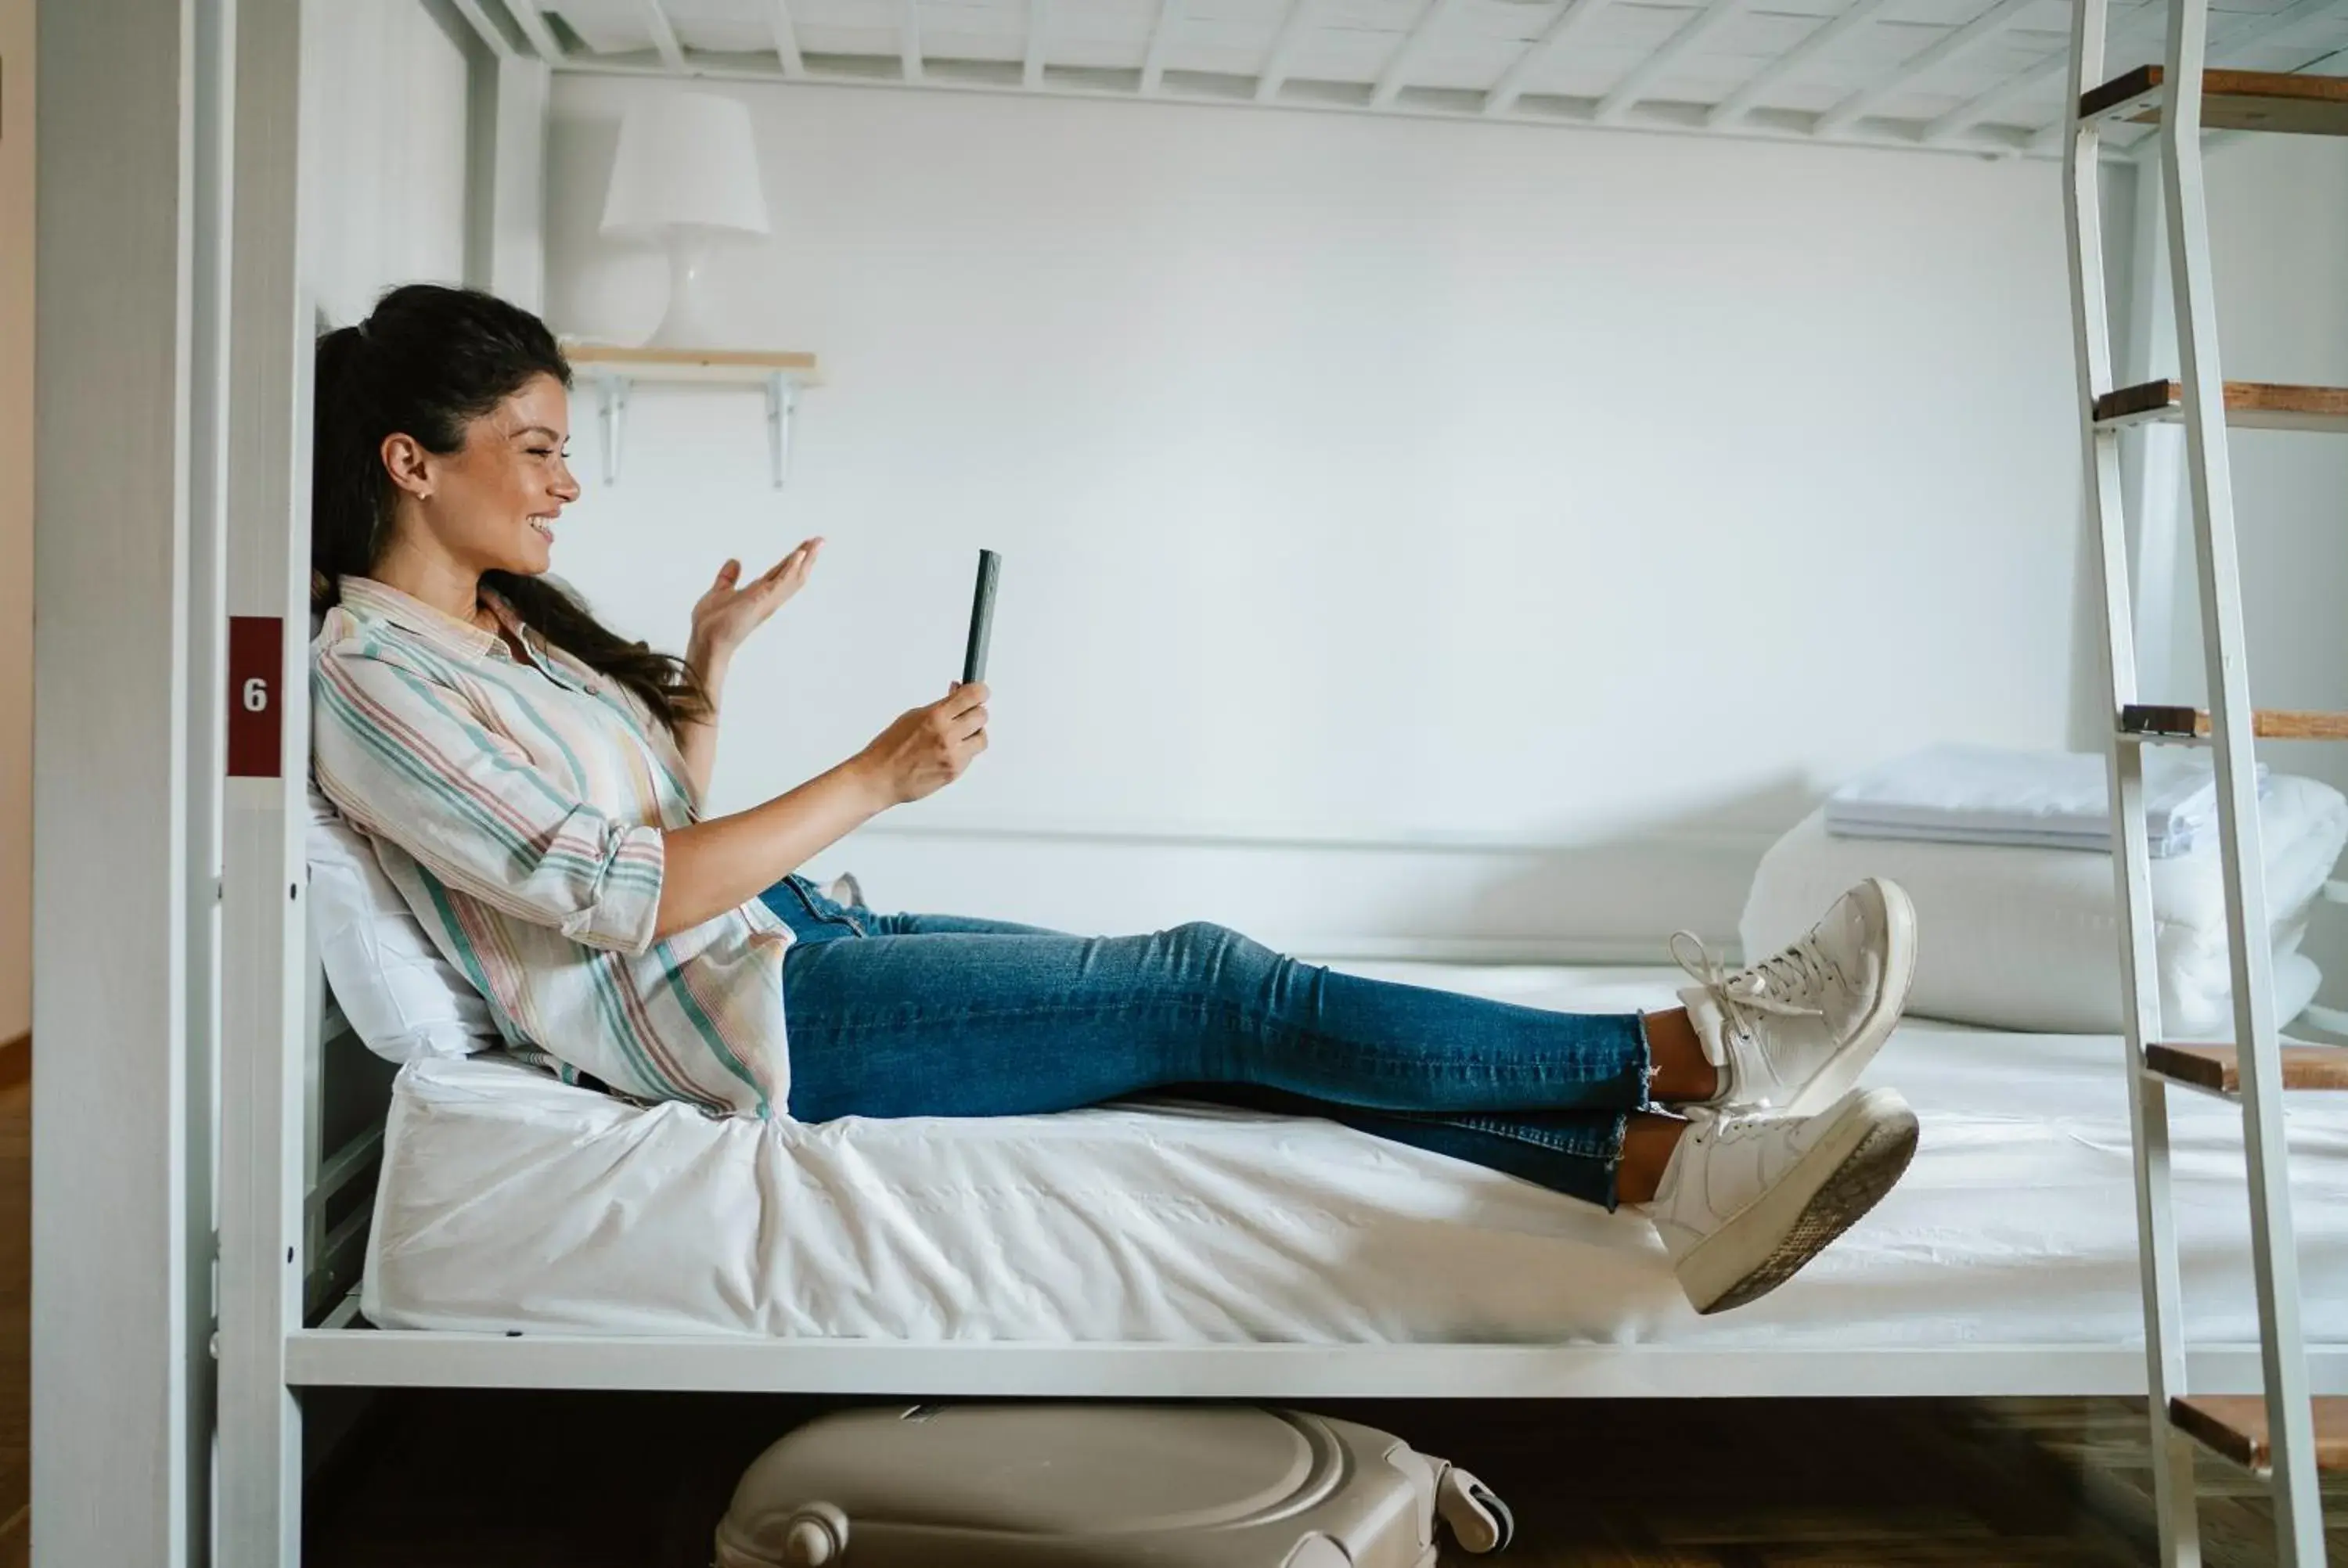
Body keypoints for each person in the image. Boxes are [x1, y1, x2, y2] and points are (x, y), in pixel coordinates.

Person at [309, 283, 1921, 1318]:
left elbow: (656, 829)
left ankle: (1660, 1178)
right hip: (743, 1021)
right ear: (410, 460)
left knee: (1224, 1029)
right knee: (1209, 985)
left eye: (563, 448)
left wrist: (715, 669)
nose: (566, 480)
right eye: (532, 446)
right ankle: (1694, 1056)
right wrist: (874, 773)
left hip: (792, 941)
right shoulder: (368, 683)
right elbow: (615, 896)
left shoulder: (504, 633)